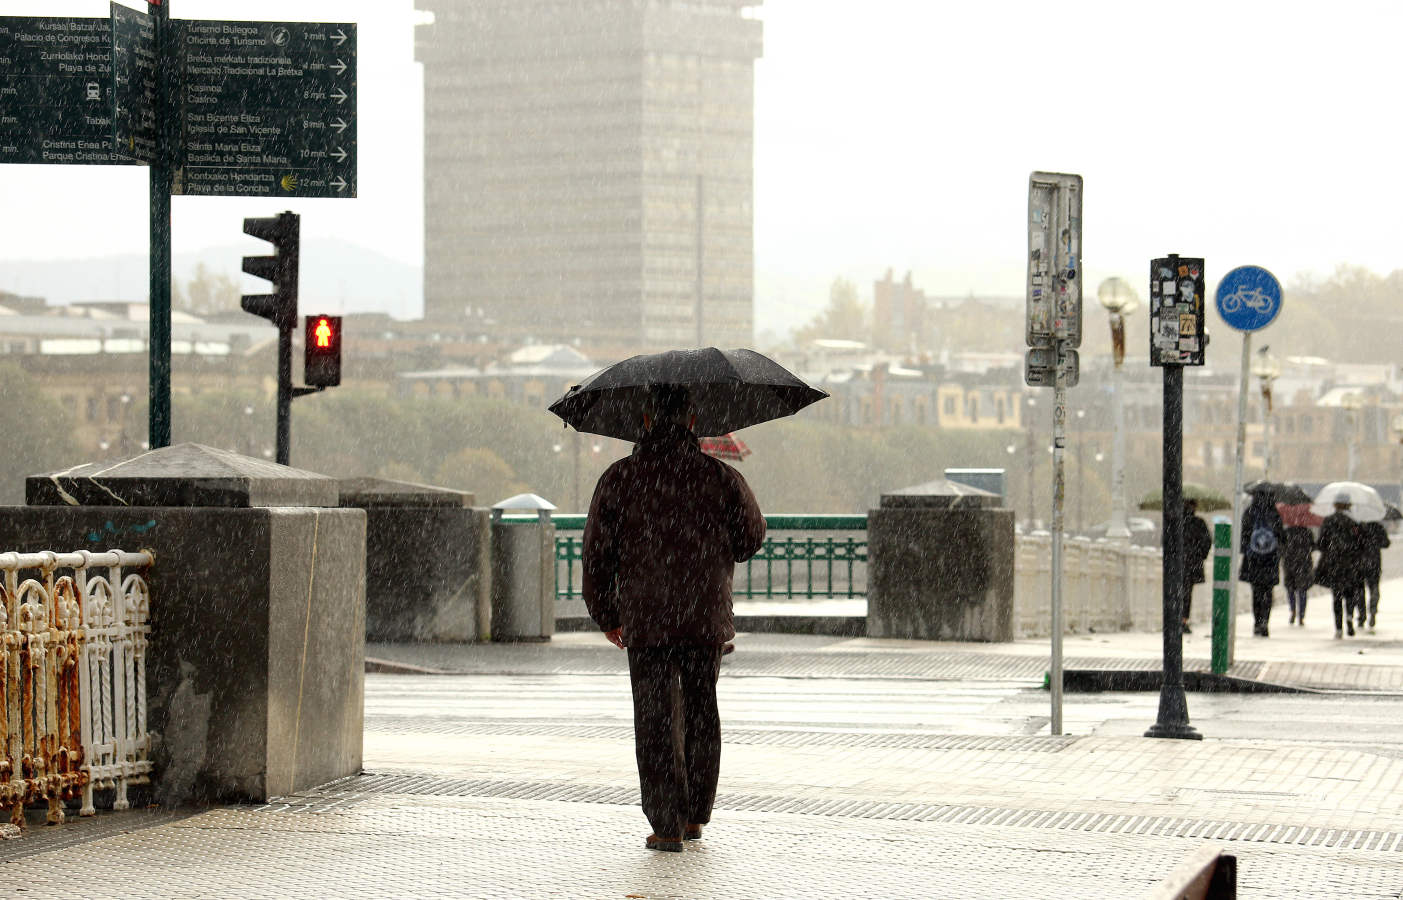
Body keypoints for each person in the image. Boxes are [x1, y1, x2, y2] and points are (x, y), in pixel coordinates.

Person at [581, 385, 766, 852]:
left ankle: (666, 824)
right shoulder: (720, 477)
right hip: (704, 618)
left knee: (656, 718)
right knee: (703, 713)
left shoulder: (621, 478)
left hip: (646, 620)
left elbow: (596, 555)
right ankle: (696, 817)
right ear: (690, 421)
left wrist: (606, 614)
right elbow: (750, 539)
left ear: (644, 421)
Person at [1315, 494, 1368, 638]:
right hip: (1351, 563)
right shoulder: (1355, 522)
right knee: (1350, 593)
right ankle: (1350, 616)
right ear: (1349, 505)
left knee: (1337, 596)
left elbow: (1321, 543)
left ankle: (1338, 628)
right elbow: (1363, 544)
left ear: (1335, 505)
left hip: (1334, 563)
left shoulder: (1329, 521)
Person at [1239, 485, 1285, 637]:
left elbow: (1243, 536)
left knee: (1256, 591)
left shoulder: (1250, 512)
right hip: (1270, 560)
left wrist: (1246, 550)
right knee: (1268, 592)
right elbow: (1282, 537)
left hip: (1254, 560)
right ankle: (1265, 621)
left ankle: (1257, 622)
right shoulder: (1274, 513)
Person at [1181, 498, 1213, 634]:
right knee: (1187, 593)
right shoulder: (1199, 523)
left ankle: (1174, 618)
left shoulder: (1174, 521)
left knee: (1175, 592)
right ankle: (1183, 620)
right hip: (1193, 563)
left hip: (1177, 563)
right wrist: (1200, 555)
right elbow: (1207, 541)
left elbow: (1164, 540)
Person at [1281, 523, 1316, 627]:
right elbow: (1313, 547)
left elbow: (1281, 546)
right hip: (1303, 564)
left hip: (1289, 563)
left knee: (1290, 588)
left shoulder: (1286, 532)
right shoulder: (1307, 532)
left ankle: (1292, 610)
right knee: (1302, 590)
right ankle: (1301, 615)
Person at [1361, 519, 1391, 633]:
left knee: (1360, 589)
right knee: (1374, 588)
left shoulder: (1360, 526)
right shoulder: (1378, 527)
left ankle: (1362, 614)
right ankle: (1372, 611)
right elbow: (1386, 543)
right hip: (1374, 562)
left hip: (1360, 562)